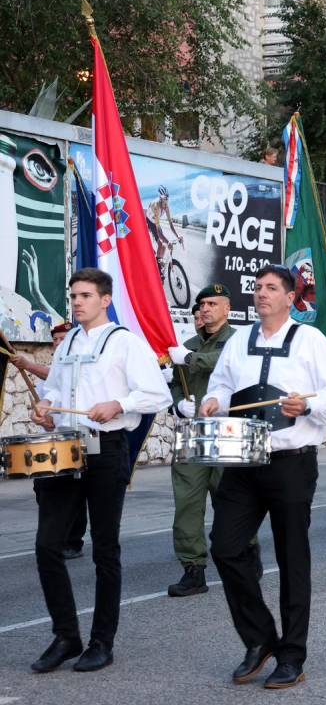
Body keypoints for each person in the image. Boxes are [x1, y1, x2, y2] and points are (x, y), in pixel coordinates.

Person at [200, 264, 326, 689]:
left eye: (272, 288)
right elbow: (220, 384)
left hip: (291, 464)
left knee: (292, 561)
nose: (262, 294)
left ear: (291, 298)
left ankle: (292, 656)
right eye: (258, 287)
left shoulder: (310, 341)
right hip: (243, 463)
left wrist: (305, 408)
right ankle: (260, 638)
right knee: (225, 549)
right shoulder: (238, 342)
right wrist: (212, 402)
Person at [28, 267, 171, 673]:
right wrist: (46, 409)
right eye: (74, 295)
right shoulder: (68, 341)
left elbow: (156, 393)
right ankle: (66, 636)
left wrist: (118, 405)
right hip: (65, 449)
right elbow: (53, 390)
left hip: (106, 449)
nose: (76, 301)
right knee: (47, 545)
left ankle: (101, 641)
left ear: (105, 300)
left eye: (85, 295)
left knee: (105, 549)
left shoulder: (125, 342)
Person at [165, 284, 253, 597]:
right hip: (193, 431)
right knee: (187, 501)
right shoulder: (187, 345)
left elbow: (227, 361)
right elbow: (176, 384)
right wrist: (178, 403)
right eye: (202, 304)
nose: (205, 309)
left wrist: (190, 358)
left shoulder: (239, 340)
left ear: (227, 309)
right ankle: (193, 569)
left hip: (228, 429)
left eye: (213, 303)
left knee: (231, 499)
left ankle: (247, 553)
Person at [13, 322, 86, 559]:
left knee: (73, 488)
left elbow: (51, 375)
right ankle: (56, 534)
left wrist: (28, 364)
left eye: (62, 339)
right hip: (50, 438)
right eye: (54, 340)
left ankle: (73, 541)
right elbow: (44, 399)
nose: (57, 343)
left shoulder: (75, 366)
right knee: (42, 487)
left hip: (74, 438)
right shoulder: (53, 370)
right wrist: (41, 418)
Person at [145, 186, 183, 271]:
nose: (166, 204)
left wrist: (178, 236)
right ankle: (158, 269)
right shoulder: (155, 206)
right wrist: (168, 242)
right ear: (161, 200)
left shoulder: (166, 206)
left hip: (155, 223)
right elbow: (158, 232)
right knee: (161, 244)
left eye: (167, 201)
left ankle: (159, 261)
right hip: (150, 222)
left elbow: (170, 223)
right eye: (165, 202)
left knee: (165, 247)